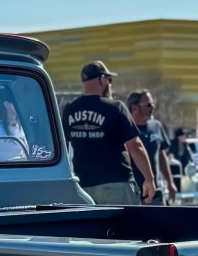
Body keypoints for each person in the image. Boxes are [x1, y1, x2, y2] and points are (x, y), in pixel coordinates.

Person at [62, 61, 155, 205]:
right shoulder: (116, 108)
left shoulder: (69, 111)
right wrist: (149, 179)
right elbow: (135, 146)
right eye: (109, 80)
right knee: (125, 228)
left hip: (84, 189)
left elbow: (62, 148)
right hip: (116, 186)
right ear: (102, 79)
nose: (110, 84)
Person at [126, 91, 178, 205]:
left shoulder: (156, 126)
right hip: (132, 194)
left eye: (153, 104)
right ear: (134, 108)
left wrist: (170, 182)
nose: (153, 107)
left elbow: (161, 155)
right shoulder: (125, 128)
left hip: (155, 192)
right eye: (148, 105)